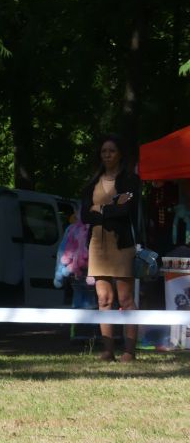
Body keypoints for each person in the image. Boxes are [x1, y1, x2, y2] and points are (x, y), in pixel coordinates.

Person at [80, 134, 141, 362]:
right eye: (104, 151)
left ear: (120, 154)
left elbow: (125, 210)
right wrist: (109, 207)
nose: (107, 155)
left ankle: (129, 351)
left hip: (122, 245)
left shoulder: (130, 181)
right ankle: (107, 350)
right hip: (97, 245)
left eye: (112, 151)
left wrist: (101, 209)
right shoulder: (91, 183)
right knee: (104, 299)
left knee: (126, 300)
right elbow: (85, 215)